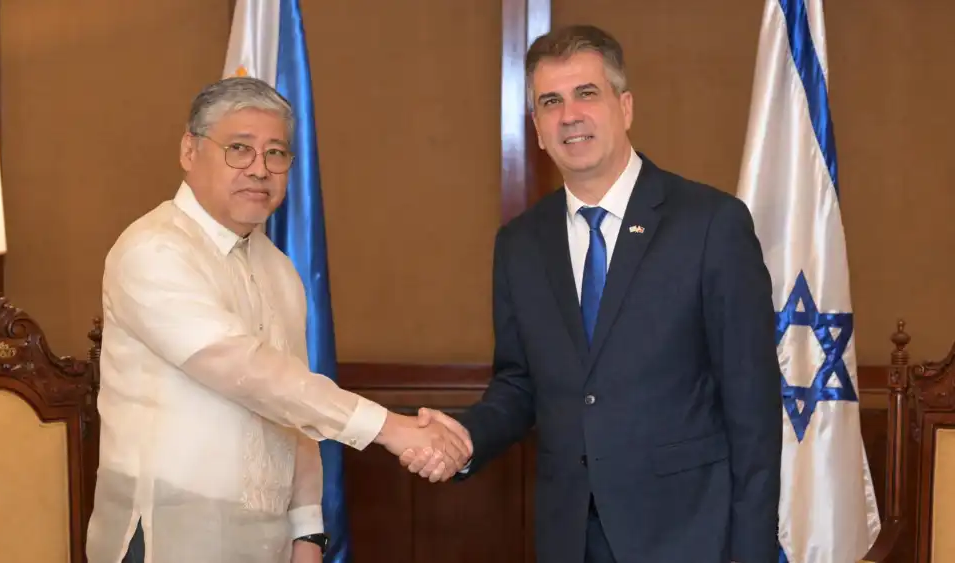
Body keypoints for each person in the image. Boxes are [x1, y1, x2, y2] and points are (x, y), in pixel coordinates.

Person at [400, 24, 782, 563]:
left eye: (586, 94)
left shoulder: (710, 225)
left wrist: (753, 551)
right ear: (537, 128)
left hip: (688, 535)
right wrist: (465, 436)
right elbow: (519, 385)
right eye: (550, 102)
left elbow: (753, 408)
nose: (569, 116)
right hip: (570, 537)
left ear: (625, 107)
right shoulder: (520, 244)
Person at [85, 76, 471, 563]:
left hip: (267, 541)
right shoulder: (153, 250)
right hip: (170, 533)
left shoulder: (278, 268)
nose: (259, 169)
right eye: (239, 149)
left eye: (276, 153)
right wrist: (391, 428)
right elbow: (251, 373)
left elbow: (293, 402)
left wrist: (308, 533)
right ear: (189, 150)